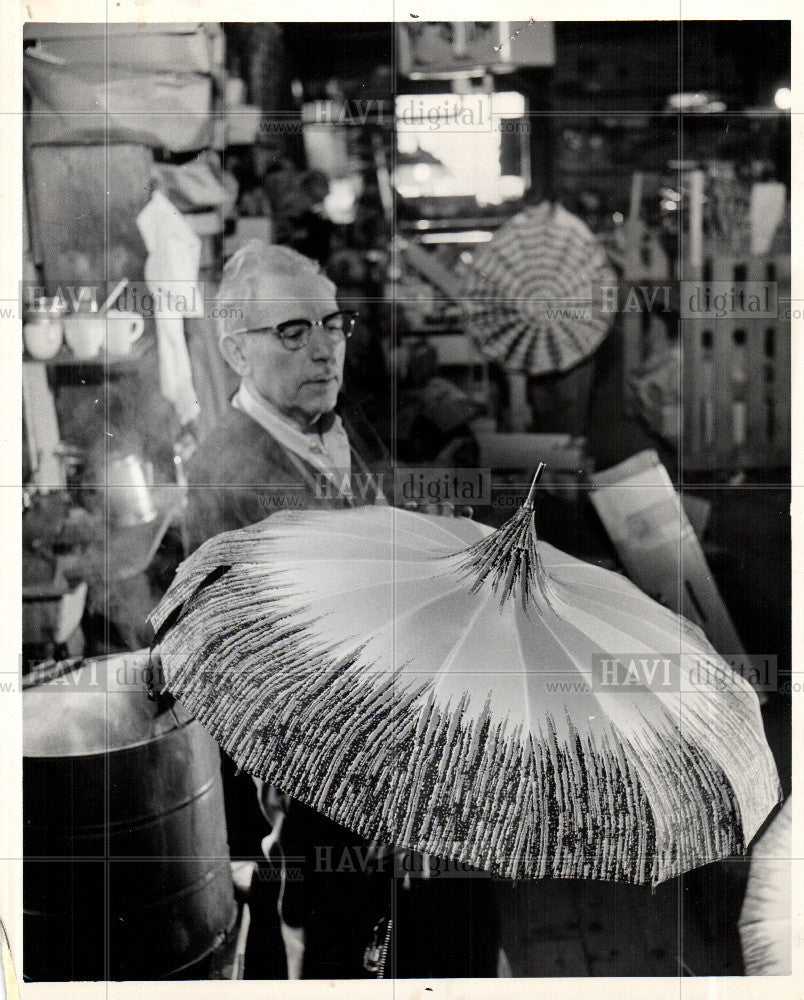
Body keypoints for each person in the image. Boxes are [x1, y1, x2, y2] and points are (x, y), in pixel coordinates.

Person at [183, 241, 499, 980]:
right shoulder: (234, 471)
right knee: (325, 950)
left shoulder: (321, 422)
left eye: (333, 325)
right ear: (236, 350)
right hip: (302, 782)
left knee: (381, 937)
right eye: (293, 331)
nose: (324, 349)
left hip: (364, 753)